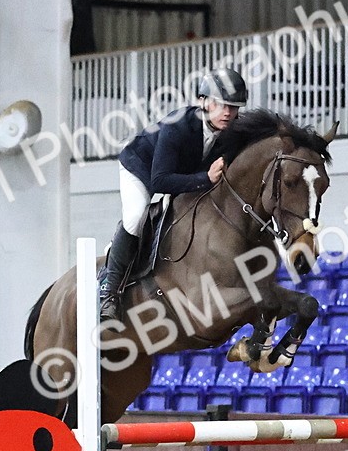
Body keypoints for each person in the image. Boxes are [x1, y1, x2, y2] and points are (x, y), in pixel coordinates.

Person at [98, 68, 248, 321]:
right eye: (221, 105)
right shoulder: (177, 126)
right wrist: (205, 178)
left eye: (233, 107)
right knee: (136, 215)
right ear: (203, 102)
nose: (228, 113)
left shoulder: (231, 132)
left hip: (181, 173)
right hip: (142, 168)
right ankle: (109, 289)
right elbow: (159, 181)